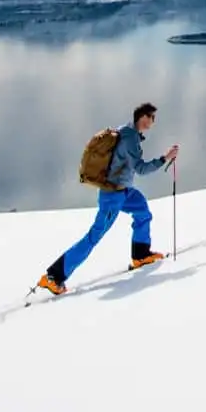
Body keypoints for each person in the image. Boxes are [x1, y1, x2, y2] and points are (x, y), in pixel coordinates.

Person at [36, 102, 178, 296]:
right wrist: (164, 158)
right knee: (94, 235)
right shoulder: (130, 139)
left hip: (124, 191)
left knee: (142, 210)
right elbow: (141, 169)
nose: (153, 122)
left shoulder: (127, 131)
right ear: (143, 117)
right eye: (152, 117)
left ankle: (141, 255)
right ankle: (54, 277)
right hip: (113, 195)